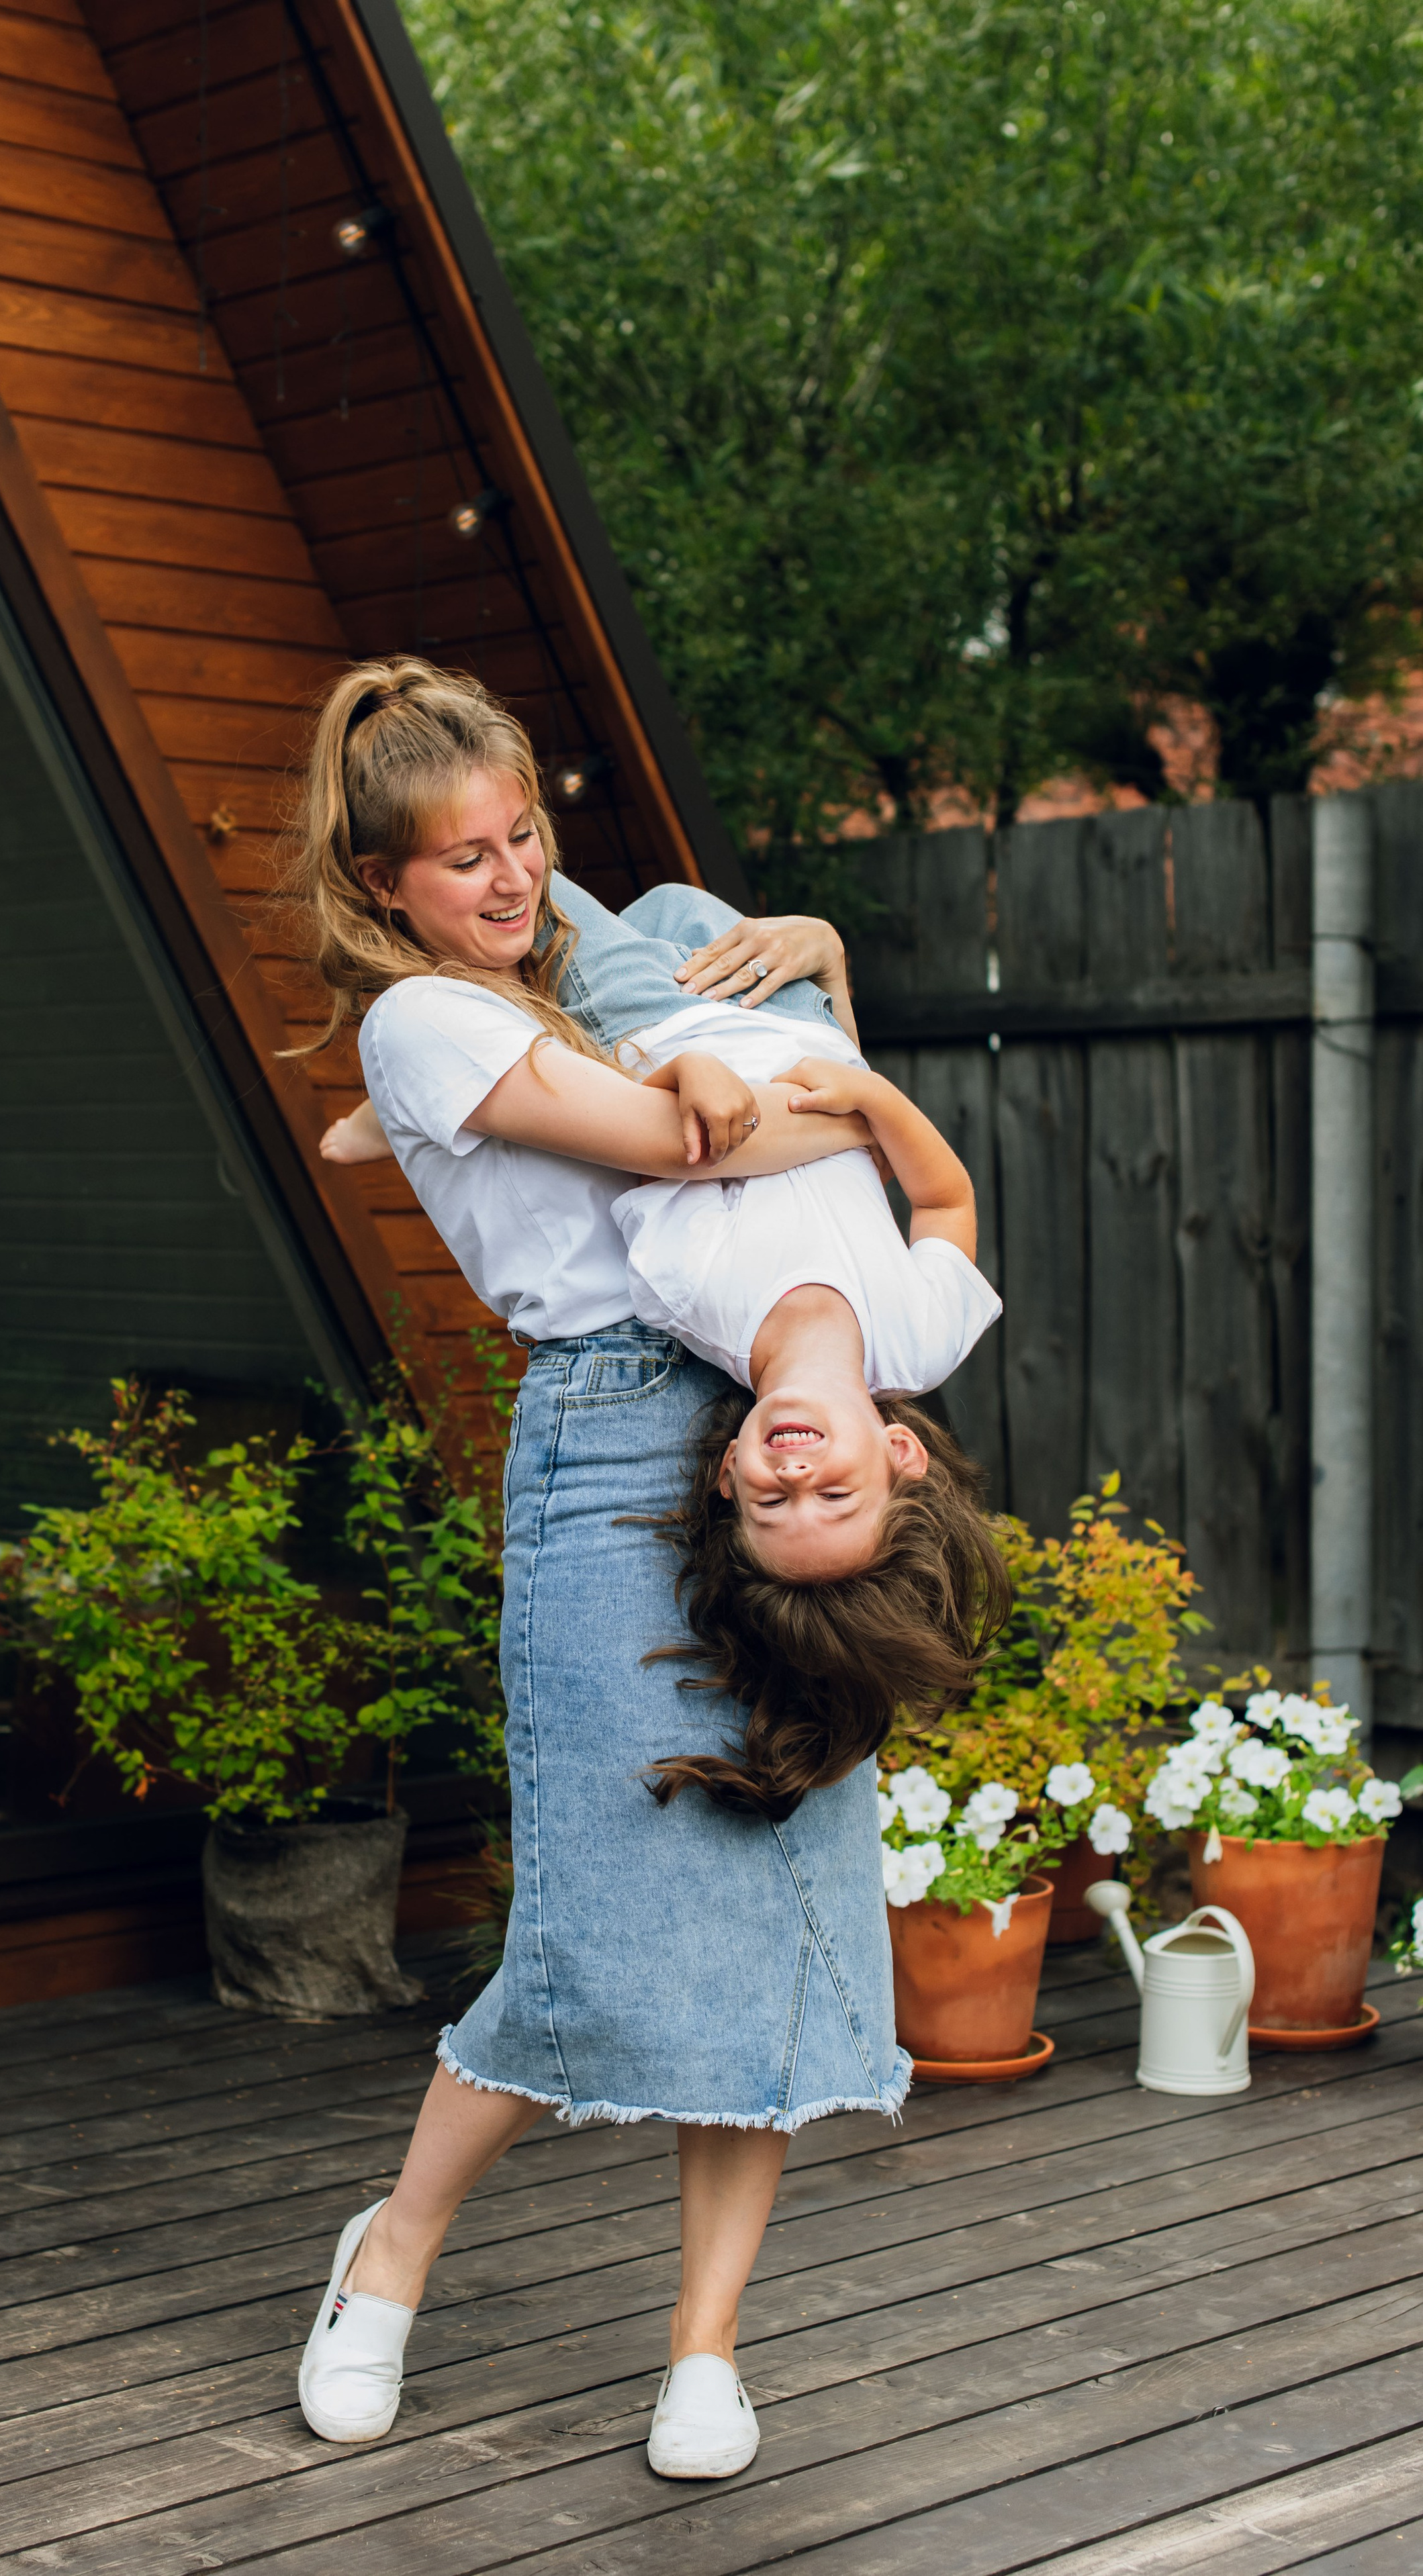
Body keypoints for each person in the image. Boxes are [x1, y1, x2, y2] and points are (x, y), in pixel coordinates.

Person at [287, 658, 917, 2483]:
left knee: (788, 1881)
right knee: (595, 1911)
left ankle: (704, 2347)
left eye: (524, 836)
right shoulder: (423, 1025)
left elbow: (770, 1106)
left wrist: (815, 973)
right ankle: (385, 2258)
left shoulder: (576, 978)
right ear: (385, 880)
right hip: (612, 1440)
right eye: (459, 854)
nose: (504, 875)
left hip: (773, 1414)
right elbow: (690, 1137)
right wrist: (852, 1080)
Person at [325, 855, 1008, 1826]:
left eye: (773, 1501)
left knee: (513, 883)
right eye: (835, 1492)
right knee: (674, 905)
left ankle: (396, 1104)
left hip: (664, 1022)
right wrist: (879, 1103)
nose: (796, 1474)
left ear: (729, 1469)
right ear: (901, 1453)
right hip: (798, 1018)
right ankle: (405, 1106)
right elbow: (945, 1199)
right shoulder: (923, 1339)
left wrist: (680, 1071)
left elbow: (655, 1139)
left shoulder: (688, 1301)